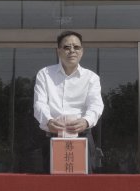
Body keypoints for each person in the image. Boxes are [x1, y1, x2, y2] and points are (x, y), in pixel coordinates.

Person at [33, 30, 104, 171]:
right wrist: (48, 121)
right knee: (51, 182)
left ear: (82, 51)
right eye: (67, 47)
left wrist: (86, 121)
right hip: (52, 136)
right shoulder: (44, 74)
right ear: (58, 51)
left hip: (82, 136)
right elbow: (39, 103)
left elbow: (96, 105)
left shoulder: (91, 77)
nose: (72, 51)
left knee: (83, 182)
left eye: (76, 47)